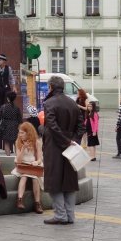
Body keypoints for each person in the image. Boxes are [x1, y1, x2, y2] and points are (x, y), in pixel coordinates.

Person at [42, 76, 84, 225]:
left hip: (54, 147)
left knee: (54, 182)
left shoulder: (49, 103)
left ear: (51, 87)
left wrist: (65, 142)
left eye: (48, 87)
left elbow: (52, 126)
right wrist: (74, 141)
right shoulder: (73, 103)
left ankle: (60, 215)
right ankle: (70, 215)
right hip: (71, 147)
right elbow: (81, 126)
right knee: (69, 181)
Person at [11, 122, 44, 214]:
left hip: (33, 165)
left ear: (28, 132)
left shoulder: (37, 142)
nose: (20, 135)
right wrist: (23, 148)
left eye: (22, 133)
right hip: (22, 165)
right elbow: (18, 160)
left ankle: (37, 203)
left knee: (35, 179)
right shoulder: (18, 142)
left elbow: (40, 158)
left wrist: (36, 162)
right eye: (19, 132)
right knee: (24, 177)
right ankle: (20, 200)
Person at [0, 91, 22, 156]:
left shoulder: (3, 107)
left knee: (6, 142)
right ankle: (17, 157)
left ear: (8, 98)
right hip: (15, 126)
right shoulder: (17, 108)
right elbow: (20, 120)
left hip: (6, 126)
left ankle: (8, 156)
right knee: (15, 142)